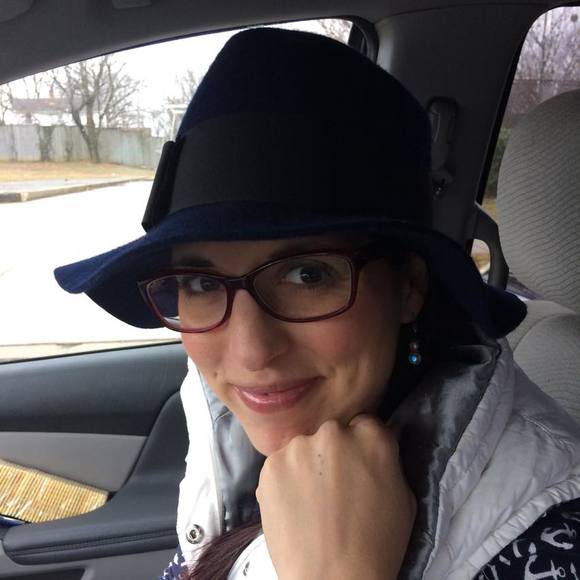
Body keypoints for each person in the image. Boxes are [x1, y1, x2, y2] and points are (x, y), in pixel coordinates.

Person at [54, 28, 580, 580]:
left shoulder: (553, 549)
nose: (251, 351)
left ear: (409, 286)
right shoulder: (232, 443)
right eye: (201, 284)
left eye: (307, 274)